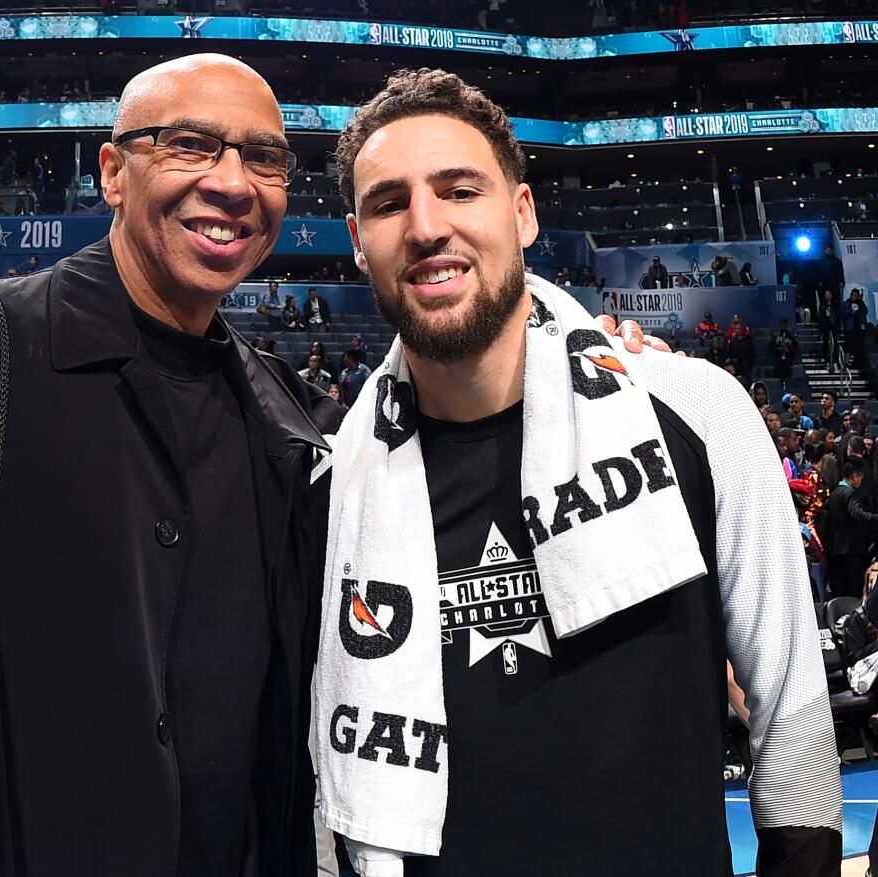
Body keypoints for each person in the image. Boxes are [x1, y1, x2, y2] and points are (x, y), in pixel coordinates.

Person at [0, 54, 649, 876]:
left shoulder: (288, 422)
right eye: (190, 146)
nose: (231, 183)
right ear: (112, 171)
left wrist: (581, 359)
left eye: (264, 159)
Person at [320, 67, 840, 876]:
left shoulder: (698, 412)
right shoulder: (336, 489)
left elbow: (793, 709)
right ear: (358, 241)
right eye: (389, 203)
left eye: (460, 190)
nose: (426, 226)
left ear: (522, 214)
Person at [827, 459, 878, 599]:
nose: (861, 481)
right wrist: (874, 518)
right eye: (860, 477)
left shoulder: (835, 492)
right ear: (854, 476)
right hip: (849, 551)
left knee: (838, 590)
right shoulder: (849, 494)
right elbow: (856, 512)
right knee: (852, 591)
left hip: (834, 550)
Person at [842, 288, 870, 378]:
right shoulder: (847, 303)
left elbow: (866, 311)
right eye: (852, 295)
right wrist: (851, 312)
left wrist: (861, 302)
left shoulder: (861, 303)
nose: (853, 296)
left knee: (859, 347)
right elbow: (842, 313)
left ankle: (859, 363)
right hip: (850, 328)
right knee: (849, 346)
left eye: (855, 295)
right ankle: (846, 363)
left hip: (859, 328)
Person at [771, 318, 799, 385]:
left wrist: (789, 350)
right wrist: (779, 349)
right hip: (778, 361)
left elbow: (795, 348)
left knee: (788, 380)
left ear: (787, 326)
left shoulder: (791, 336)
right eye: (782, 325)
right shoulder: (775, 336)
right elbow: (771, 347)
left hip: (788, 361)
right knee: (777, 381)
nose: (783, 327)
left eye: (785, 325)